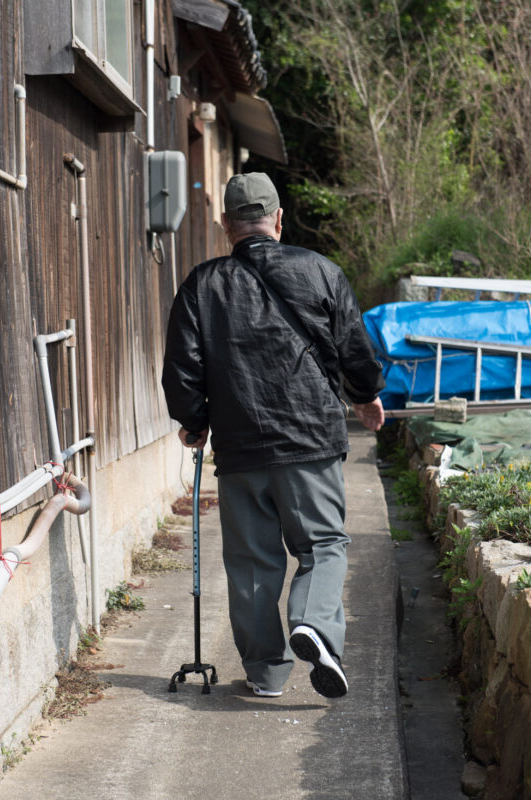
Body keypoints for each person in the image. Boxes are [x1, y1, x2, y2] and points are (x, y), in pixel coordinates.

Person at [161, 172, 385, 699]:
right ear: (279, 220)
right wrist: (366, 394)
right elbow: (353, 346)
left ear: (226, 226)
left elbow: (182, 367)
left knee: (253, 561)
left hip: (240, 448)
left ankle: (265, 673)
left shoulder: (201, 283)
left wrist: (194, 422)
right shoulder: (322, 272)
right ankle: (312, 625)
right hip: (311, 441)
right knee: (323, 544)